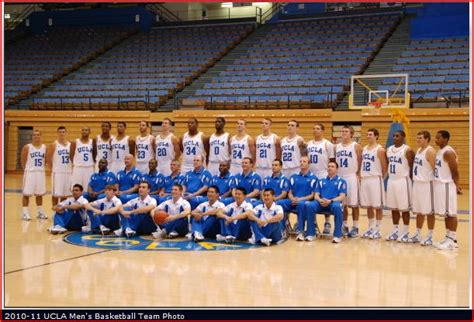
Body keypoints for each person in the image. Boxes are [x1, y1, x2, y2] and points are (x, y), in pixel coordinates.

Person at [303, 161, 346, 243]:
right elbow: (316, 195)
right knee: (309, 206)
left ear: (337, 169)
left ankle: (337, 235)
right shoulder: (321, 181)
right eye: (329, 166)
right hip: (321, 202)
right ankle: (311, 234)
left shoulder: (342, 181)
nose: (330, 168)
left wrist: (331, 200)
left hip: (333, 202)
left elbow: (342, 196)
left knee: (338, 207)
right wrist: (320, 200)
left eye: (332, 166)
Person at [434, 130, 462, 250]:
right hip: (441, 184)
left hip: (447, 185)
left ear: (445, 139)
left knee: (451, 213)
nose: (436, 139)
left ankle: (452, 239)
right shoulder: (440, 151)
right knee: (446, 214)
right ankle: (448, 237)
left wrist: (457, 185)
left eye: (438, 138)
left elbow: (455, 171)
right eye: (436, 137)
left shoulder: (448, 152)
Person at [385, 130, 415, 242]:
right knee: (394, 208)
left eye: (397, 136)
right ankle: (395, 230)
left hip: (403, 180)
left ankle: (406, 231)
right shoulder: (388, 150)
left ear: (403, 137)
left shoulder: (407, 150)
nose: (395, 138)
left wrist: (412, 181)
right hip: (391, 180)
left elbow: (412, 167)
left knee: (404, 208)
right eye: (394, 136)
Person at [278, 156, 318, 240]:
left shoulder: (313, 178)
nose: (302, 163)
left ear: (308, 164)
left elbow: (312, 195)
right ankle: (282, 230)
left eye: (304, 161)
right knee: (280, 203)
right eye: (300, 161)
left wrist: (299, 200)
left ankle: (301, 232)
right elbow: (290, 192)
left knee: (300, 204)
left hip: (304, 202)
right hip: (293, 201)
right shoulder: (293, 177)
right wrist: (292, 198)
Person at [307, 123, 336, 235]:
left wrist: (330, 174)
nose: (315, 130)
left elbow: (332, 160)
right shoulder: (309, 143)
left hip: (323, 173)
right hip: (312, 174)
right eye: (314, 128)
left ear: (323, 131)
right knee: (311, 199)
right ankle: (313, 222)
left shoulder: (327, 144)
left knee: (325, 197)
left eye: (318, 129)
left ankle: (327, 223)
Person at [408, 131, 436, 245]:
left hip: (427, 184)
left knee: (429, 211)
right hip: (417, 183)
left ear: (427, 139)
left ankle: (430, 235)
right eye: (417, 137)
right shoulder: (419, 150)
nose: (418, 140)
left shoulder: (430, 151)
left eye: (420, 138)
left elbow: (436, 169)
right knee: (419, 211)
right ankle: (418, 233)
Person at [360, 128, 388, 239]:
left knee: (377, 206)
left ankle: (378, 229)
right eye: (367, 134)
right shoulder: (364, 149)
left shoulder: (380, 149)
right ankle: (371, 226)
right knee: (368, 205)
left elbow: (385, 167)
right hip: (365, 178)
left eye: (370, 134)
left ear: (376, 136)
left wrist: (381, 179)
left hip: (375, 179)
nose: (368, 136)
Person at [335, 125, 362, 238]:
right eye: (343, 131)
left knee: (354, 204)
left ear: (351, 134)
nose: (344, 133)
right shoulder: (336, 146)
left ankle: (355, 226)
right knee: (343, 204)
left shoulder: (356, 146)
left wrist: (358, 173)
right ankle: (345, 225)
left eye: (346, 131)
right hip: (341, 176)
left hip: (351, 176)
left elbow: (360, 160)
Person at [20, 129, 47, 220]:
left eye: (38, 135)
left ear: (41, 136)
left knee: (39, 194)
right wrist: (26, 170)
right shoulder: (27, 147)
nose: (36, 136)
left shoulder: (44, 147)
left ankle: (40, 212)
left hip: (40, 172)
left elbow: (46, 160)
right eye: (34, 135)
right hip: (30, 172)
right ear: (32, 137)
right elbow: (23, 160)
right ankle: (24, 212)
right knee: (26, 194)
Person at [47, 126, 72, 208]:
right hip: (57, 172)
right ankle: (55, 211)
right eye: (60, 132)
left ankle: (62, 209)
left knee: (64, 194)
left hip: (68, 172)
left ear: (66, 133)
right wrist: (52, 170)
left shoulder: (70, 145)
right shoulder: (54, 145)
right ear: (57, 133)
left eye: (63, 132)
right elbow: (48, 159)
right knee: (55, 194)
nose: (62, 133)